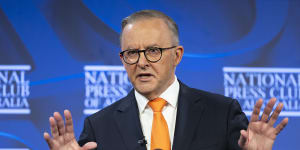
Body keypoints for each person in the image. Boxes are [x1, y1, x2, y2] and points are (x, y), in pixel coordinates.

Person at [43, 10, 289, 150]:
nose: (141, 62)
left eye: (153, 51)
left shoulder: (222, 114)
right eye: (131, 53)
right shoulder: (99, 127)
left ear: (177, 55)